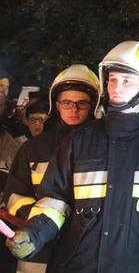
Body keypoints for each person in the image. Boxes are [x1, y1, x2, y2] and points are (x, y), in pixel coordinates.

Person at [6, 41, 139, 272]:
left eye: (126, 80)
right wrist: (34, 234)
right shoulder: (80, 140)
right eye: (112, 79)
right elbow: (55, 201)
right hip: (78, 265)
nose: (117, 88)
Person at [2, 65, 98, 272]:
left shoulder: (104, 147)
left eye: (81, 103)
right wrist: (39, 225)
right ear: (56, 104)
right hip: (39, 247)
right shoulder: (34, 148)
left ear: (94, 105)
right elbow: (15, 196)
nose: (74, 109)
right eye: (67, 102)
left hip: (88, 249)